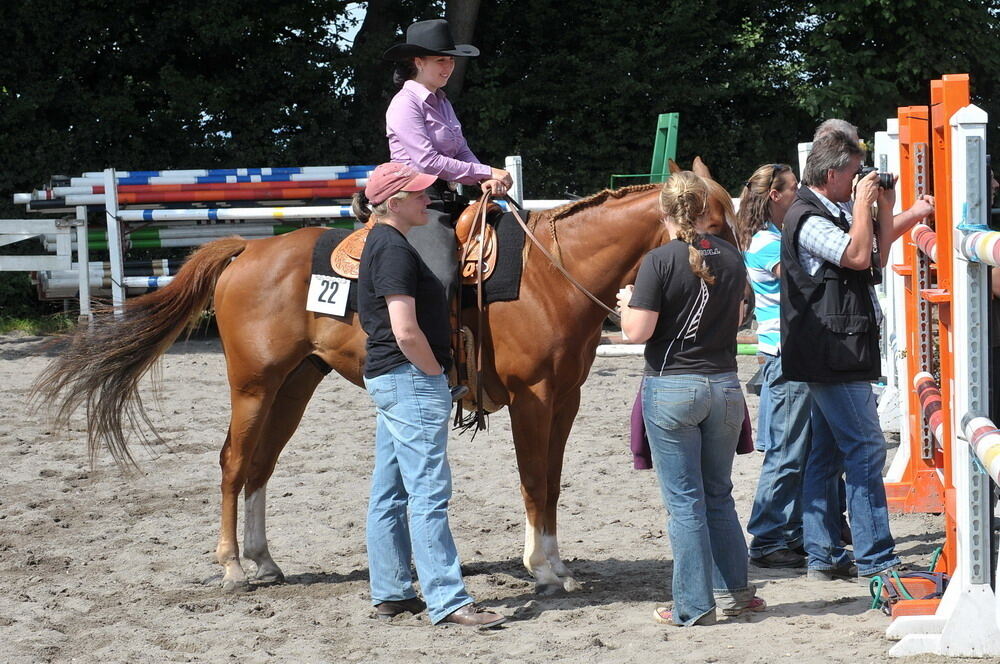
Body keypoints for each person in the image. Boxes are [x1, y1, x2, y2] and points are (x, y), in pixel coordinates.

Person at [354, 162, 507, 629]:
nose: (428, 200)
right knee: (429, 494)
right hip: (409, 376)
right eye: (419, 195)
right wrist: (436, 373)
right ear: (394, 203)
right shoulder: (395, 249)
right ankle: (448, 600)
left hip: (389, 378)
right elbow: (405, 330)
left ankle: (393, 591)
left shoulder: (383, 242)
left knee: (390, 489)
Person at [781, 130, 933, 582]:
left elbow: (877, 259)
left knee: (826, 455)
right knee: (866, 450)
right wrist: (865, 204)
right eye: (853, 174)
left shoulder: (833, 208)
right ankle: (876, 558)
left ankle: (824, 555)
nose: (858, 180)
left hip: (840, 347)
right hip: (831, 350)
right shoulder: (808, 218)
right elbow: (855, 254)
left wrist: (882, 206)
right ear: (832, 173)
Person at [617, 171, 765, 626]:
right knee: (719, 494)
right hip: (723, 385)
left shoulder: (658, 260)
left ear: (664, 212)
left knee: (684, 503)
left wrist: (626, 305)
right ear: (705, 211)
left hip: (673, 385)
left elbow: (636, 332)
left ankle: (694, 606)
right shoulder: (732, 258)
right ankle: (737, 593)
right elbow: (740, 315)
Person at [383, 18, 513, 298]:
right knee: (440, 276)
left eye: (451, 60)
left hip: (445, 198)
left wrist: (484, 178)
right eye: (441, 60)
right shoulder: (404, 104)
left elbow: (461, 149)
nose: (449, 67)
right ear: (418, 62)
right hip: (415, 201)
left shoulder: (442, 101)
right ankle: (429, 339)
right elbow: (426, 162)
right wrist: (486, 171)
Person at [739, 163, 813, 569]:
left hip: (787, 352)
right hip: (784, 355)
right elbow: (806, 281)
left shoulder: (772, 237)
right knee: (786, 451)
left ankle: (787, 531)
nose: (799, 194)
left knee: (795, 448)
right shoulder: (768, 244)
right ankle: (768, 537)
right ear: (775, 196)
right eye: (794, 189)